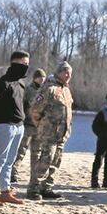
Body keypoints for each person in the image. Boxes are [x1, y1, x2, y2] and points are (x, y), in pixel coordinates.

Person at [0, 50, 30, 206]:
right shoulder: (2, 83)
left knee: (10, 161)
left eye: (27, 64)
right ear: (15, 63)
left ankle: (5, 191)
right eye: (24, 64)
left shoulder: (22, 83)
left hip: (19, 126)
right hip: (4, 126)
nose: (27, 67)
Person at [28, 60, 74, 200]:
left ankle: (46, 187)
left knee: (55, 161)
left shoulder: (65, 90)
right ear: (58, 72)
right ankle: (34, 188)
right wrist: (42, 125)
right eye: (65, 72)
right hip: (49, 133)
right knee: (44, 161)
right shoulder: (49, 88)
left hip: (62, 133)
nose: (67, 75)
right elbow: (35, 110)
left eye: (70, 73)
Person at [11, 69, 47, 184]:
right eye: (40, 77)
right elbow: (20, 105)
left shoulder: (46, 91)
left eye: (44, 77)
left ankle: (34, 176)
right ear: (35, 78)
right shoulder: (28, 90)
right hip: (27, 125)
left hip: (39, 127)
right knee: (20, 151)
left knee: (37, 153)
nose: (42, 79)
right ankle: (13, 173)